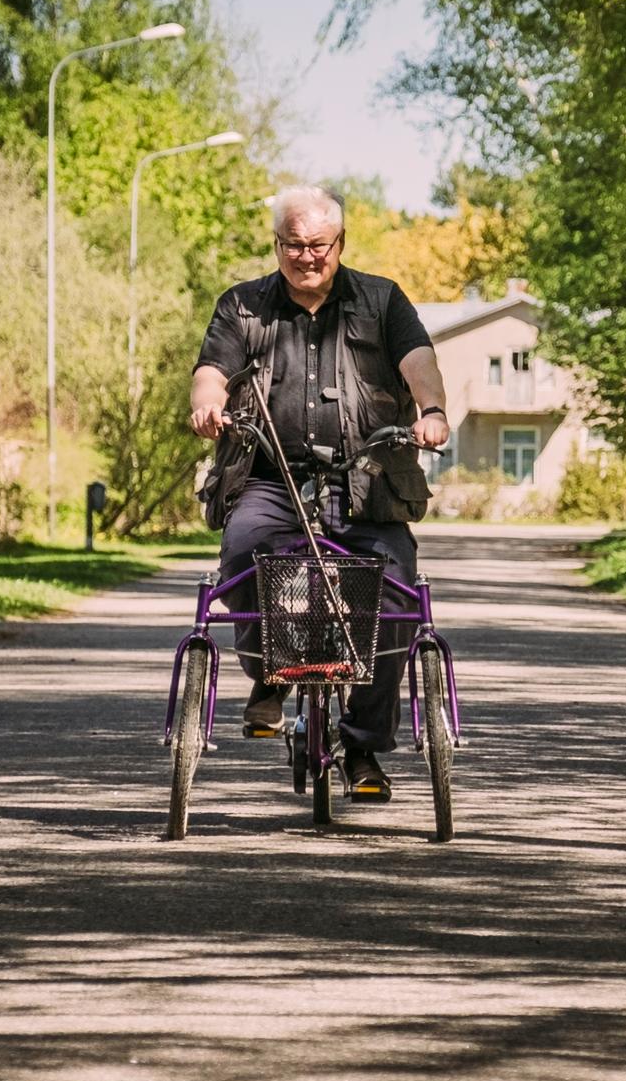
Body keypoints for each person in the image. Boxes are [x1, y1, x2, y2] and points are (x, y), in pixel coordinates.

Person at [189, 184, 451, 800]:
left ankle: (361, 747)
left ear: (340, 243)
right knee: (242, 556)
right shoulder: (244, 306)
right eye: (293, 245)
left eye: (318, 245)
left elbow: (418, 360)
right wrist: (207, 407)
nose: (307, 257)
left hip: (368, 478)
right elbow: (211, 373)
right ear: (276, 244)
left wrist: (433, 408)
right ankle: (270, 680)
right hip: (269, 475)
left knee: (392, 593)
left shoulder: (382, 299)